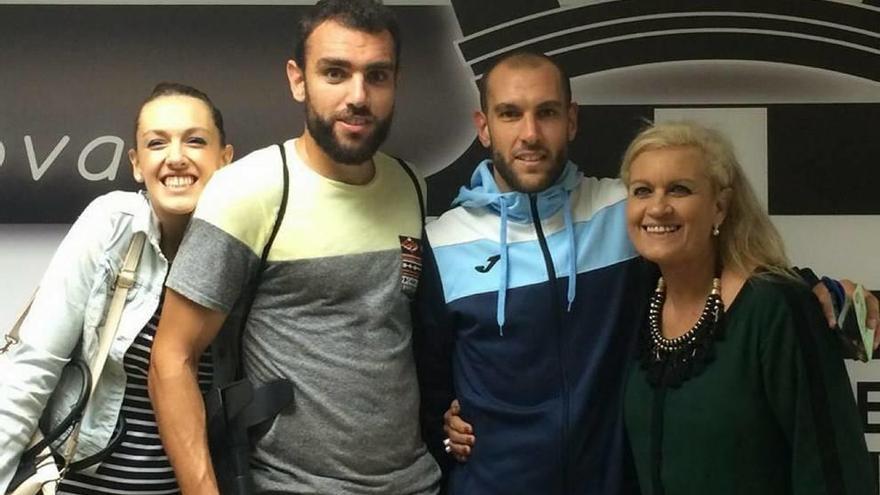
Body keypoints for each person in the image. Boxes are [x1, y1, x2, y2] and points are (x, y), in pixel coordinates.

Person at [415, 50, 879, 495]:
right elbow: (429, 384)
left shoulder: (628, 210)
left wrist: (816, 287)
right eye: (510, 113)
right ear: (484, 127)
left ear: (572, 120)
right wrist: (445, 425)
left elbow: (717, 261)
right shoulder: (444, 241)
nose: (530, 134)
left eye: (548, 113)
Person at [148, 1, 441, 494]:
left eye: (377, 75)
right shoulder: (249, 190)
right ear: (298, 79)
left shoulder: (411, 184)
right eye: (335, 73)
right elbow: (171, 358)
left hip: (416, 483)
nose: (358, 96)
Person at [0, 82, 234, 494]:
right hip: (81, 485)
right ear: (136, 163)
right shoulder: (112, 225)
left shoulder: (244, 249)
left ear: (225, 157)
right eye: (156, 143)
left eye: (195, 141)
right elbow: (33, 367)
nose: (176, 158)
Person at [620, 121, 874, 494]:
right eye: (642, 191)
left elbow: (834, 469)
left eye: (679, 189)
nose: (657, 207)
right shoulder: (636, 307)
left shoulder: (776, 307)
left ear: (720, 207)